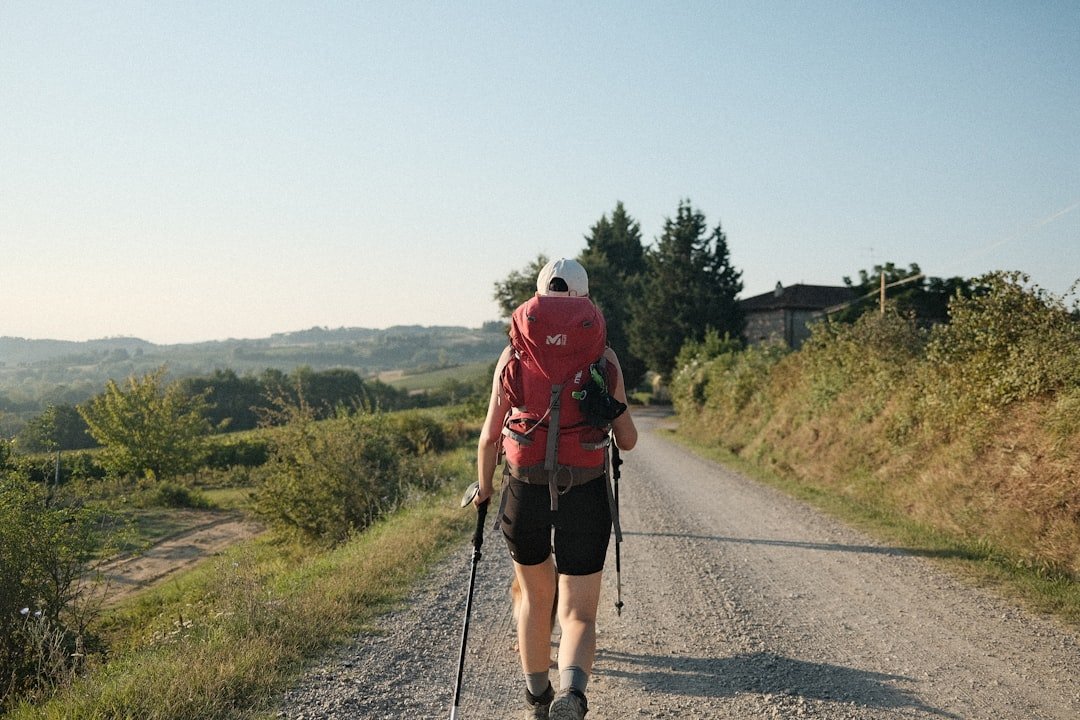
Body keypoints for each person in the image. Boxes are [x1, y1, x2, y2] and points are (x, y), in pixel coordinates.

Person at [474, 258, 638, 720]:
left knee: (533, 598)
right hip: (585, 492)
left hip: (524, 490)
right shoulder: (604, 358)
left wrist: (484, 488)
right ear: (585, 300)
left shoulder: (513, 355)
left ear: (538, 297)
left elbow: (489, 437)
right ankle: (574, 693)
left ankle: (537, 697)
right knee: (579, 613)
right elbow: (627, 440)